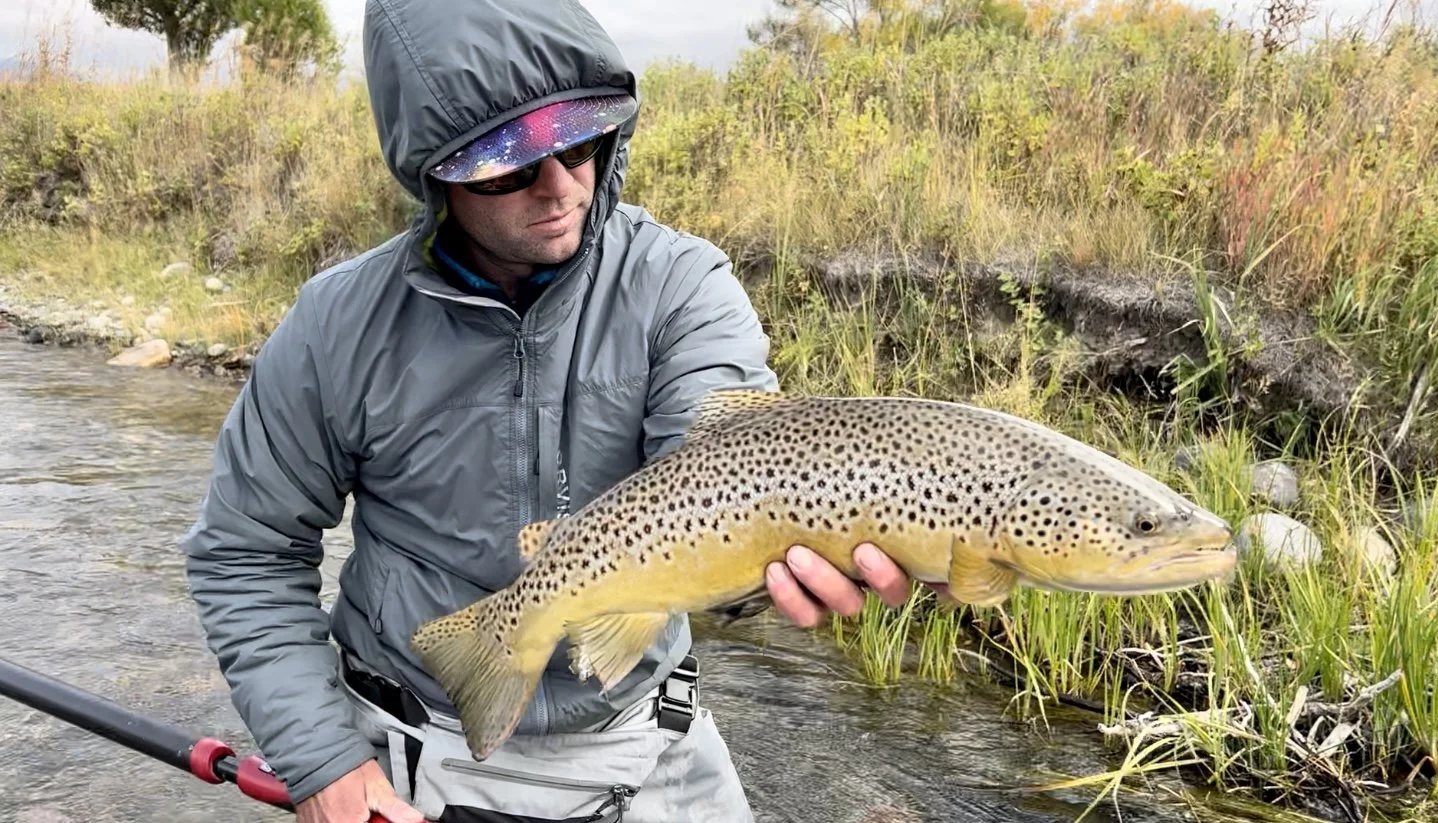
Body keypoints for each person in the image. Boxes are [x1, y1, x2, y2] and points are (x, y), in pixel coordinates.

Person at [181, 0, 913, 821]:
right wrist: (322, 762)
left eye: (581, 141)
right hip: (411, 744)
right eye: (511, 164)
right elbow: (245, 552)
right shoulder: (336, 326)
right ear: (435, 172)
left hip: (650, 734)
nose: (562, 185)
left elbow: (726, 466)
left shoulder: (680, 285)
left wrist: (818, 550)